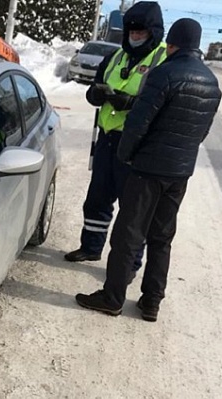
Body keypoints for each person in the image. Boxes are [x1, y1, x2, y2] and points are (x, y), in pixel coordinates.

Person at [74, 18, 222, 322]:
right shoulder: (211, 82)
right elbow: (201, 132)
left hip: (147, 169)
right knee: (162, 236)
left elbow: (137, 123)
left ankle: (113, 297)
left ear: (172, 42)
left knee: (128, 233)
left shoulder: (163, 74)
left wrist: (126, 155)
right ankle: (152, 301)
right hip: (179, 173)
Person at [64, 1, 167, 279]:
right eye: (131, 30)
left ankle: (129, 264)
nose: (134, 35)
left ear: (153, 31)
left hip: (136, 145)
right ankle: (91, 246)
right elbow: (95, 85)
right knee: (97, 197)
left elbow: (162, 104)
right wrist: (95, 95)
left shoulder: (162, 61)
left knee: (133, 210)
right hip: (107, 139)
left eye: (140, 31)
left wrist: (131, 103)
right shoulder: (116, 57)